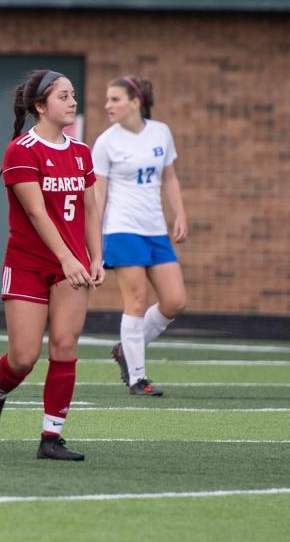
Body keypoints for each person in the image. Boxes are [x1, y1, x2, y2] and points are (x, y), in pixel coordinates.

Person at [0, 70, 103, 461]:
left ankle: (52, 437)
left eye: (74, 94)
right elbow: (36, 213)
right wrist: (67, 257)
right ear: (40, 106)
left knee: (65, 345)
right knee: (24, 357)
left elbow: (91, 209)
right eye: (64, 96)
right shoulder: (21, 150)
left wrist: (96, 256)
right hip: (29, 263)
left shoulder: (81, 153)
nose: (73, 102)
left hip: (72, 267)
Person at [92, 75, 188, 397]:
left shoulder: (161, 132)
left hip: (155, 230)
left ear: (136, 102)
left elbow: (169, 178)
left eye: (115, 99)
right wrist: (95, 239)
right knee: (135, 301)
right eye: (107, 100)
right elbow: (99, 194)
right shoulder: (106, 142)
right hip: (122, 229)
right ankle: (137, 378)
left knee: (174, 301)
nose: (108, 105)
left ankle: (126, 349)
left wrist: (180, 214)